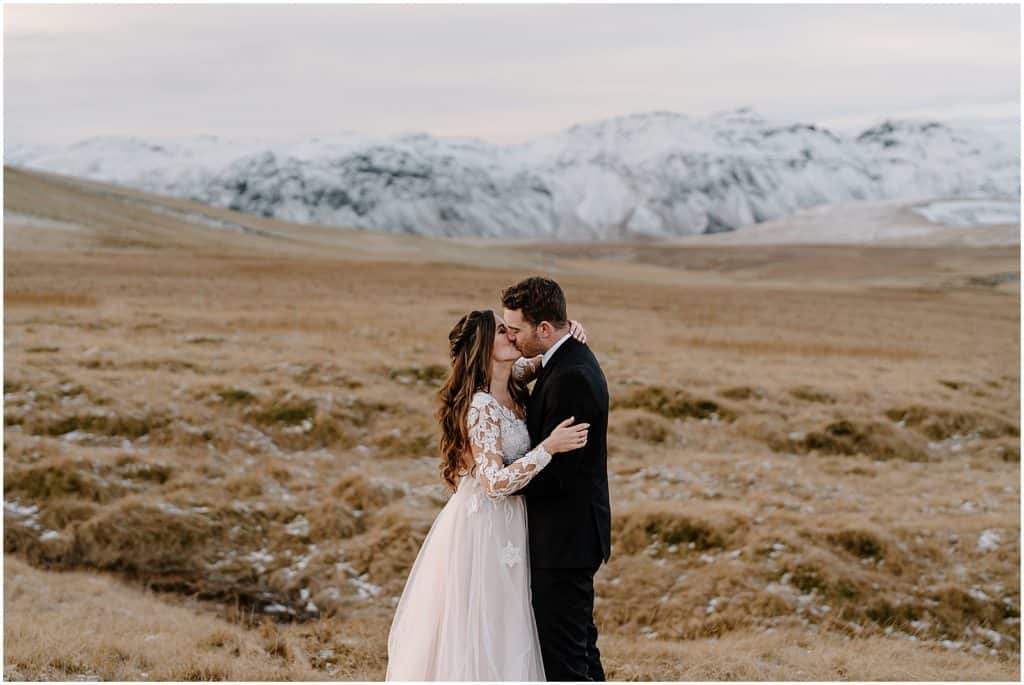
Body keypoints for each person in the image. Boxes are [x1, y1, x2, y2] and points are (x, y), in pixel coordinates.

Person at [385, 308, 590, 681]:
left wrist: (569, 331)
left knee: (510, 618)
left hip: (512, 523)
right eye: (501, 331)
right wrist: (549, 448)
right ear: (483, 346)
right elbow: (493, 482)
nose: (512, 335)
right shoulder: (480, 406)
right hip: (486, 526)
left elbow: (547, 356)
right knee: (484, 619)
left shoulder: (513, 380)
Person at [503, 276, 611, 682]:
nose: (511, 338)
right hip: (570, 535)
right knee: (580, 646)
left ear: (544, 329)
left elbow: (560, 477)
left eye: (516, 330)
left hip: (563, 539)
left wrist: (501, 480)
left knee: (565, 660)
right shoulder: (564, 359)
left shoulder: (571, 377)